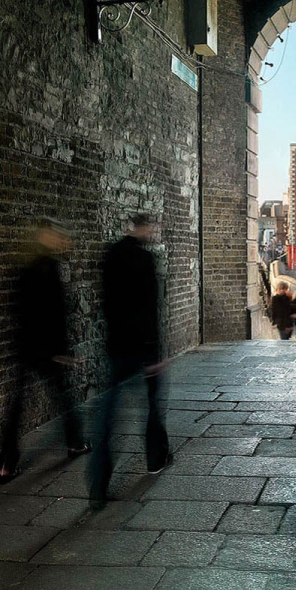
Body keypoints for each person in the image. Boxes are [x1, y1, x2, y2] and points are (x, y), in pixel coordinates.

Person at [88, 214, 171, 507]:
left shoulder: (110, 255)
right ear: (144, 229)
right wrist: (154, 354)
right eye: (151, 228)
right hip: (142, 347)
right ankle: (155, 458)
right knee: (151, 404)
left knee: (107, 417)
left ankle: (98, 484)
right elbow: (150, 308)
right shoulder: (144, 260)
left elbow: (107, 302)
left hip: (116, 347)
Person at [0, 219, 91, 484]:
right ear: (46, 237)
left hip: (27, 346)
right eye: (58, 236)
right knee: (63, 397)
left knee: (17, 405)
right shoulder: (49, 268)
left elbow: (20, 311)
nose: (63, 241)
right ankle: (74, 443)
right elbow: (55, 314)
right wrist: (61, 351)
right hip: (46, 349)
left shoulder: (25, 266)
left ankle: (6, 463)